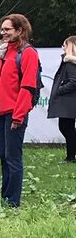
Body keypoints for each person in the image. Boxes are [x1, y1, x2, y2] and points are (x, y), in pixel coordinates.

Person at [0, 13, 41, 207]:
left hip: (14, 113)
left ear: (20, 30)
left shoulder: (27, 53)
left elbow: (27, 87)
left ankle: (12, 201)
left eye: (7, 29)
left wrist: (18, 116)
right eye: (2, 29)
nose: (3, 33)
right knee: (3, 156)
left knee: (13, 158)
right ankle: (5, 197)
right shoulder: (3, 53)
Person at [47, 35, 76, 163]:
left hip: (68, 101)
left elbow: (74, 82)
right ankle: (70, 155)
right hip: (69, 101)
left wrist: (59, 90)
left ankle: (71, 156)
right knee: (67, 127)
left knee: (66, 127)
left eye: (64, 45)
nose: (62, 48)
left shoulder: (70, 63)